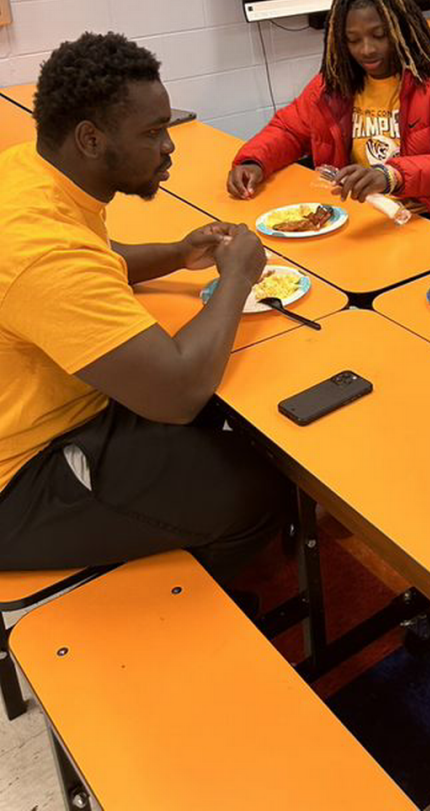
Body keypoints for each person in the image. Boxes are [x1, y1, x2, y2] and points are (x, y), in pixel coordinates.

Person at [0, 32, 287, 581]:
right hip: (21, 477)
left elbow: (98, 260)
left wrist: (178, 253)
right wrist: (239, 278)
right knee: (258, 490)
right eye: (153, 133)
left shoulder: (32, 173)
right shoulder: (40, 252)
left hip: (56, 413)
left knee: (230, 419)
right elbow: (176, 393)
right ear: (89, 138)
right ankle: (184, 611)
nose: (168, 146)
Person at [227, 0, 430, 229]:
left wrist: (391, 176)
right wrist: (254, 162)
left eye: (379, 35)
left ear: (402, 29)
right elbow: (289, 130)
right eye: (353, 40)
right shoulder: (333, 85)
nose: (367, 49)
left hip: (428, 218)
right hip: (354, 218)